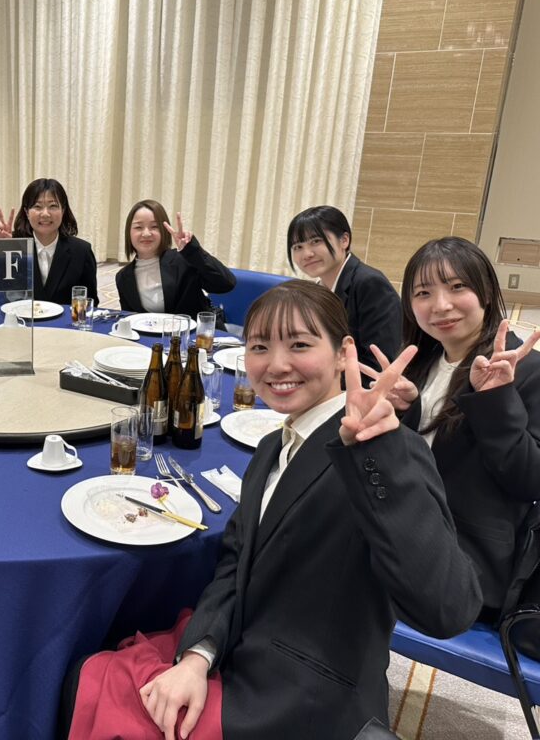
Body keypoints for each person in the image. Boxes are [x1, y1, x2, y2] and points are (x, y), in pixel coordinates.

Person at [64, 281, 480, 740]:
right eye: (260, 347)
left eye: (299, 345)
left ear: (343, 353)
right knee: (94, 664)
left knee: (95, 686)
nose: (277, 365)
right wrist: (198, 657)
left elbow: (448, 609)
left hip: (305, 698)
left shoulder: (386, 450)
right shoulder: (270, 448)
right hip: (244, 650)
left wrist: (377, 454)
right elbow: (235, 560)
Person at [363, 236, 540, 631]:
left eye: (457, 287)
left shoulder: (526, 369)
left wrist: (496, 400)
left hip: (465, 561)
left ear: (486, 293)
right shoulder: (422, 360)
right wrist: (406, 410)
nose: (440, 305)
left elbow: (530, 480)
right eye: (423, 293)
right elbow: (418, 459)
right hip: (405, 529)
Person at [287, 205, 401, 374]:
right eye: (298, 247)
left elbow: (377, 366)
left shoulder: (369, 283)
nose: (307, 254)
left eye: (316, 241)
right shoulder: (317, 289)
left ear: (344, 240)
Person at [115, 200, 235, 319]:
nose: (146, 233)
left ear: (164, 231)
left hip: (195, 330)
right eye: (138, 227)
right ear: (128, 232)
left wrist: (192, 250)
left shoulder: (184, 259)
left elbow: (226, 284)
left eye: (154, 226)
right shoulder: (123, 277)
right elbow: (129, 320)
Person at [0, 178, 98, 305]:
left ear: (63, 210)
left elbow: (90, 302)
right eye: (37, 206)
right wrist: (2, 250)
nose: (45, 214)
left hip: (65, 318)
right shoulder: (14, 245)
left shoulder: (81, 251)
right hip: (22, 317)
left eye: (53, 206)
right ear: (27, 212)